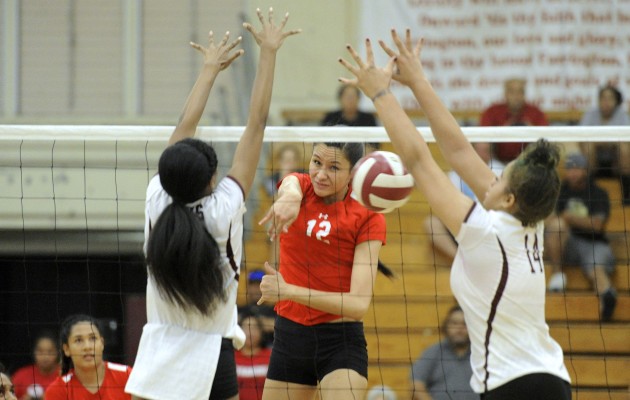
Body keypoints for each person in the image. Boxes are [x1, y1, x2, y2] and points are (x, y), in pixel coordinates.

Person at [339, 29, 571, 399]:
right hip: (552, 379)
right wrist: (417, 81)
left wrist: (380, 95)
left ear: (509, 198)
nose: (490, 179)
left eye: (499, 178)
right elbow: (461, 151)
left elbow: (418, 159)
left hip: (514, 387)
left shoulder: (484, 230)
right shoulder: (533, 222)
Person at [124, 10, 299, 400]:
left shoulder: (158, 198)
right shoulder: (224, 209)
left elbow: (183, 127)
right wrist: (268, 53)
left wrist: (208, 69)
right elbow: (256, 123)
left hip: (159, 347)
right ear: (211, 180)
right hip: (212, 351)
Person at [256, 141, 391, 399]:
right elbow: (291, 183)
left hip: (339, 341)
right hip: (291, 336)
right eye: (317, 162)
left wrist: (289, 291)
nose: (320, 173)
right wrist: (291, 197)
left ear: (353, 172)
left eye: (334, 167)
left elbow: (358, 305)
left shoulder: (368, 215)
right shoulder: (301, 186)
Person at [545, 153, 617, 320]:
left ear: (585, 170)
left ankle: (607, 296)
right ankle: (557, 274)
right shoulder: (560, 191)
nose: (573, 173)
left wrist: (570, 217)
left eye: (577, 168)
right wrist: (569, 220)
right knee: (556, 226)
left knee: (595, 267)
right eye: (570, 169)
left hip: (594, 243)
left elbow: (597, 225)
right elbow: (550, 220)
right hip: (567, 244)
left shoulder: (598, 192)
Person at [424, 143, 504, 262]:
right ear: (472, 152)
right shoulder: (456, 174)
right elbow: (450, 204)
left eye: (486, 151)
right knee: (431, 223)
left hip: (490, 225)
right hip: (462, 224)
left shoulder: (501, 171)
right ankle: (461, 260)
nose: (482, 155)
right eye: (479, 151)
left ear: (491, 153)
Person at [45, 315, 132, 400]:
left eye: (93, 338)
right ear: (66, 349)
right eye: (78, 340)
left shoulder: (128, 376)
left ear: (102, 343)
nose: (87, 346)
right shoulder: (57, 390)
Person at [410, 306, 475, 400]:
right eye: (454, 323)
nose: (459, 328)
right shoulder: (433, 352)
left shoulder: (481, 355)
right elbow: (416, 384)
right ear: (446, 326)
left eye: (464, 324)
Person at [579, 85, 630, 204]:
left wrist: (601, 140)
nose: (606, 102)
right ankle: (589, 193)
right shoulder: (590, 114)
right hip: (594, 161)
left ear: (616, 101)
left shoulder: (622, 115)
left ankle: (627, 196)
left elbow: (626, 140)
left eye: (610, 98)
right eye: (603, 98)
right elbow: (582, 137)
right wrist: (609, 140)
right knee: (588, 146)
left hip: (615, 162)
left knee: (624, 148)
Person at [479, 78, 548, 163]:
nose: (516, 96)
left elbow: (546, 138)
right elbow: (482, 136)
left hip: (529, 163)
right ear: (505, 94)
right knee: (481, 145)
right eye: (512, 92)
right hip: (498, 162)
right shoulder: (492, 112)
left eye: (520, 92)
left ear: (524, 94)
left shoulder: (536, 113)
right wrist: (501, 132)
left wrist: (531, 130)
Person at [235, 310, 272, 400]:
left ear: (261, 332)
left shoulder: (271, 356)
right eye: (246, 328)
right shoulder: (231, 356)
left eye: (254, 328)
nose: (249, 333)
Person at [11, 331, 59, 400]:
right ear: (34, 352)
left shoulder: (66, 376)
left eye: (50, 351)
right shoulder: (21, 375)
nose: (45, 357)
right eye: (40, 351)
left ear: (58, 353)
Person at [239, 270, 276, 347]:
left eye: (259, 285)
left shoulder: (274, 310)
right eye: (253, 285)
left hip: (268, 350)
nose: (256, 288)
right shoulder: (240, 309)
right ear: (248, 287)